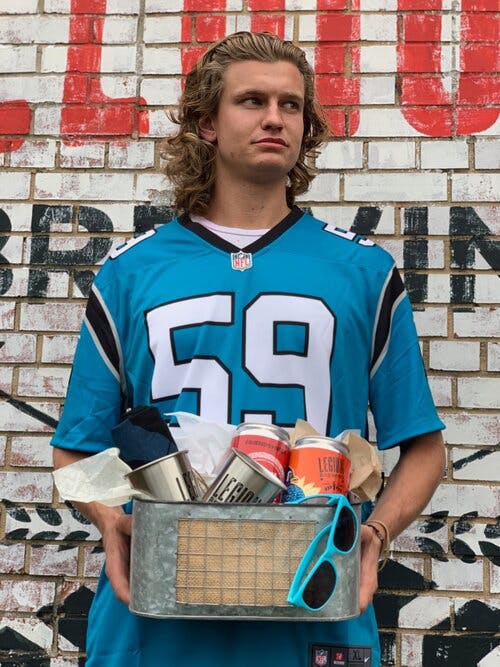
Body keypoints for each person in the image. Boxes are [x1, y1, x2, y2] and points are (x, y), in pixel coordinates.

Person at [51, 31, 446, 667]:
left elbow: (424, 445)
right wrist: (110, 521)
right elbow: (75, 443)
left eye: (291, 106)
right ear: (206, 123)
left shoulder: (364, 271)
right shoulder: (130, 271)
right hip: (159, 615)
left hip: (313, 605)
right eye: (252, 101)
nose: (274, 118)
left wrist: (374, 535)